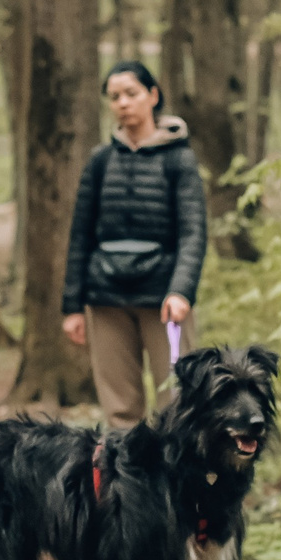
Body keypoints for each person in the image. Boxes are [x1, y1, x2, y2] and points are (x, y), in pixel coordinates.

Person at [62, 61, 207, 429]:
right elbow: (81, 234)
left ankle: (175, 484)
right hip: (106, 298)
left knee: (175, 402)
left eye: (131, 93)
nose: (123, 103)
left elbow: (193, 230)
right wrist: (73, 307)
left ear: (152, 96)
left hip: (163, 300)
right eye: (114, 97)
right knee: (120, 409)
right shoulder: (100, 161)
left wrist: (181, 291)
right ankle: (123, 484)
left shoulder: (179, 159)